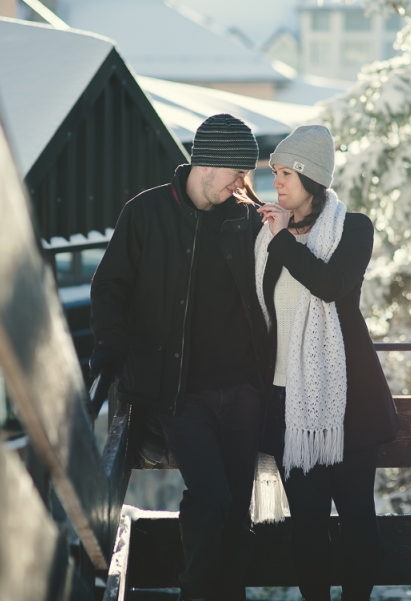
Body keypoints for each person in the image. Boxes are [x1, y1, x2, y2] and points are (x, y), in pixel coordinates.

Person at [89, 113, 268, 601]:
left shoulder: (246, 217)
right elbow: (109, 287)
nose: (242, 184)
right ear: (205, 165)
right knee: (210, 500)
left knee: (236, 512)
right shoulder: (145, 213)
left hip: (243, 392)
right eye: (237, 173)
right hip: (178, 390)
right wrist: (109, 347)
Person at [254, 125, 400, 601]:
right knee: (307, 528)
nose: (276, 183)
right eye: (274, 172)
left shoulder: (353, 228)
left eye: (286, 174)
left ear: (311, 179)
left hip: (347, 404)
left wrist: (281, 242)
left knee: (358, 522)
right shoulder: (269, 234)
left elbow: (333, 286)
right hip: (286, 404)